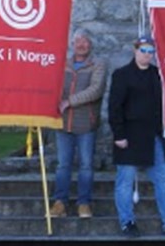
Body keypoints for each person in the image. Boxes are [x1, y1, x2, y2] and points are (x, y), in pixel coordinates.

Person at [109, 34, 165, 237]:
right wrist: (118, 134)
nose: (147, 55)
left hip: (154, 136)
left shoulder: (158, 74)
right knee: (125, 182)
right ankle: (127, 222)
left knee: (164, 179)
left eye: (150, 51)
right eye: (143, 50)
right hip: (129, 136)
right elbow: (114, 107)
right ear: (135, 50)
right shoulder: (122, 75)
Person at [51, 29, 107, 219]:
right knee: (63, 165)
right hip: (63, 124)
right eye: (77, 41)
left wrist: (70, 101)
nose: (80, 44)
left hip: (86, 124)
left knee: (86, 165)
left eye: (84, 41)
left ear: (90, 44)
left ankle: (84, 203)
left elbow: (96, 90)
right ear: (72, 44)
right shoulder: (62, 63)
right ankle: (60, 202)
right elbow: (53, 86)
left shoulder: (98, 64)